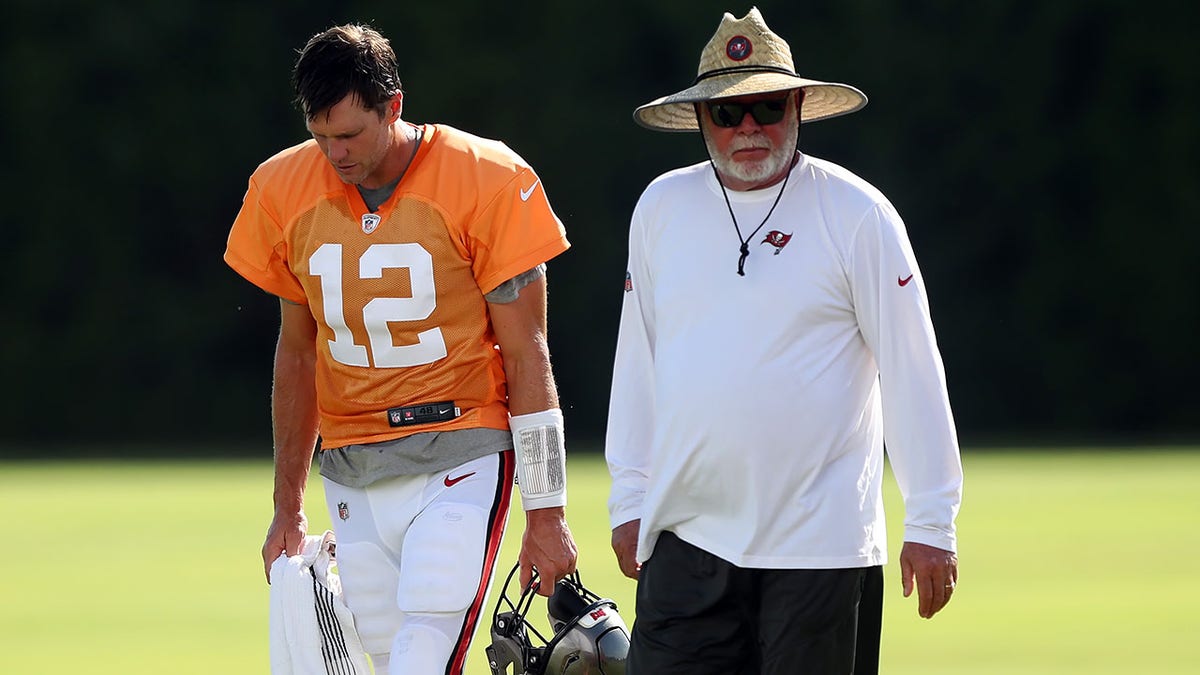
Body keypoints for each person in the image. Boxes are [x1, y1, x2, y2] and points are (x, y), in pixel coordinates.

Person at [605, 8, 963, 674]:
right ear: (701, 119)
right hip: (687, 538)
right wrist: (630, 496)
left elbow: (913, 369)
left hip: (821, 549)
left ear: (797, 107)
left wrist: (932, 521)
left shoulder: (858, 214)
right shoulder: (659, 207)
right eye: (726, 112)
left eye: (766, 106)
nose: (747, 127)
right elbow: (639, 361)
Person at [223, 23, 577, 675]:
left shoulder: (487, 179)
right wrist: (286, 508)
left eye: (350, 134)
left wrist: (547, 511)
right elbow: (298, 355)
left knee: (421, 656)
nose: (335, 153)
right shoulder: (283, 188)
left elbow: (529, 355)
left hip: (461, 446)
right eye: (320, 135)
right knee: (387, 663)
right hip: (351, 466)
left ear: (394, 105)